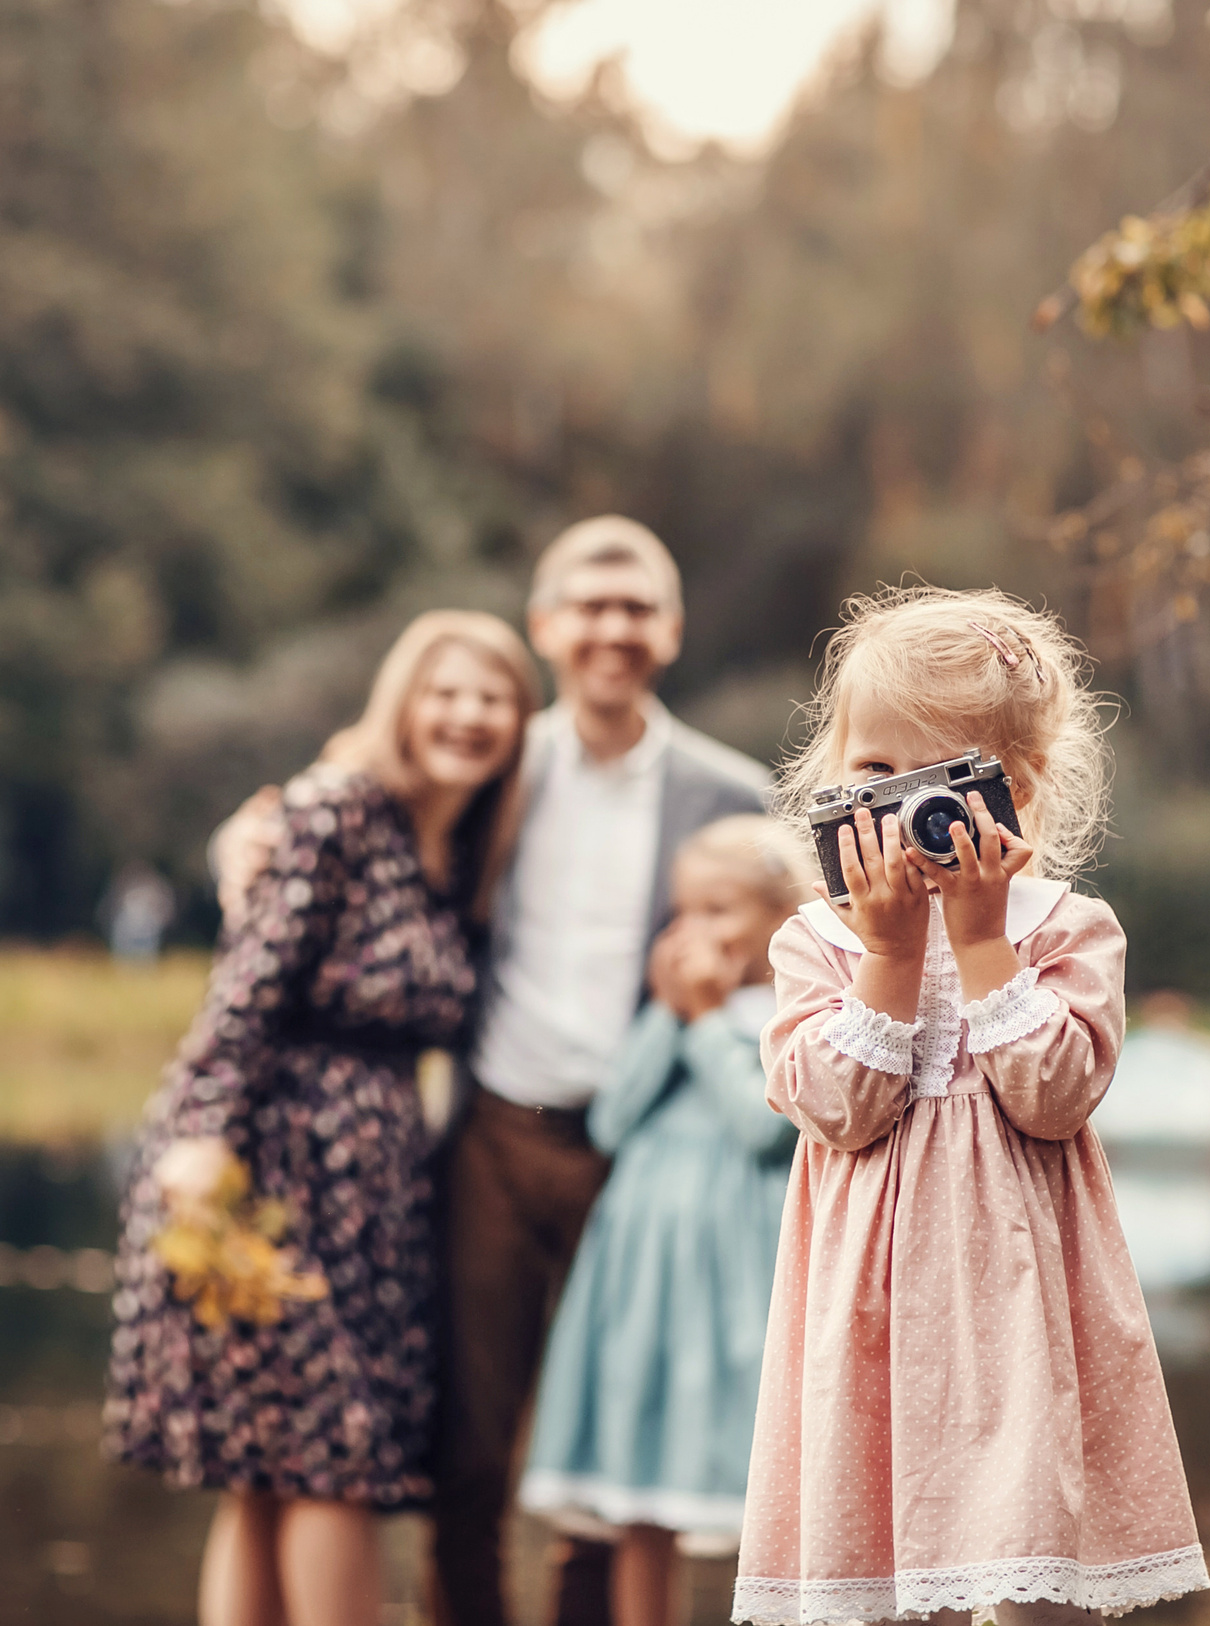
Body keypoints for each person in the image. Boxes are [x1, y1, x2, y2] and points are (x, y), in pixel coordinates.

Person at [213, 516, 770, 1626]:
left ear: (670, 628)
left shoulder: (733, 794)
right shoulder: (491, 763)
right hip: (492, 1138)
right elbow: (337, 829)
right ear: (547, 626)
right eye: (590, 605)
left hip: (645, 1147)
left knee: (616, 1448)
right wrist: (234, 858)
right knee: (467, 1444)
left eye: (637, 607)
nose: (614, 628)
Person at [732, 588, 1209, 1626]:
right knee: (889, 1568)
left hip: (1019, 1297)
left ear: (1015, 788)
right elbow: (836, 1110)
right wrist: (893, 955)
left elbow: (1053, 1098)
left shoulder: (1067, 928)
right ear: (829, 769)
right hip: (871, 1299)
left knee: (1027, 1564)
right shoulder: (816, 940)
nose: (899, 806)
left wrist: (983, 940)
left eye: (938, 776)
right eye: (871, 771)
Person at [104, 610, 540, 1626]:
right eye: (446, 691)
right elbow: (243, 988)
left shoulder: (460, 849)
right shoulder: (338, 809)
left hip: (376, 1182)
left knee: (271, 1467)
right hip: (266, 1160)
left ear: (519, 726)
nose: (467, 715)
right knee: (325, 1456)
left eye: (492, 698)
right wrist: (203, 1137)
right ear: (401, 701)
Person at [517, 815, 808, 1626]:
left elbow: (761, 1129)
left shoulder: (791, 1014)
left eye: (721, 911)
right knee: (641, 1489)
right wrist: (667, 1014)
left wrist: (709, 1018)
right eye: (684, 912)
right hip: (643, 1270)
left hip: (735, 1272)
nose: (695, 932)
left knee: (758, 1476)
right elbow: (611, 1122)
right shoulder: (676, 1009)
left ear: (784, 918)